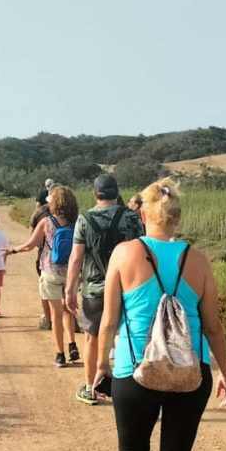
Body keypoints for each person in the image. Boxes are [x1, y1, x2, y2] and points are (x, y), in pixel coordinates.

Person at [93, 178, 226, 451]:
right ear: (176, 217)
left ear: (142, 213)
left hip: (135, 373)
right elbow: (213, 327)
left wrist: (99, 370)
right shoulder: (199, 260)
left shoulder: (125, 253)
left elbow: (108, 321)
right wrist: (224, 371)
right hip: (191, 374)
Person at [65, 174, 143, 405]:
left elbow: (76, 258)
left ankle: (91, 388)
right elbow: (142, 252)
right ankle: (133, 391)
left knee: (92, 338)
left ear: (95, 194)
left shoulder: (84, 219)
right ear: (117, 193)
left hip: (95, 289)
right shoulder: (131, 217)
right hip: (129, 287)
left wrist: (70, 289)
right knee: (130, 337)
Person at [4, 186, 80, 367]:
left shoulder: (47, 222)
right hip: (71, 273)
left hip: (50, 271)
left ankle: (60, 355)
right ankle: (72, 344)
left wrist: (12, 250)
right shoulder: (78, 222)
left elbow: (30, 245)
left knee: (56, 315)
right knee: (69, 310)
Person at [31, 189, 53, 329]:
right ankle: (70, 318)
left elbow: (33, 239)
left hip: (44, 256)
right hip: (65, 258)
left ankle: (48, 318)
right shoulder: (68, 213)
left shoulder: (39, 214)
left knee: (45, 288)